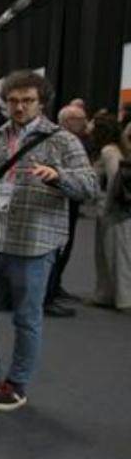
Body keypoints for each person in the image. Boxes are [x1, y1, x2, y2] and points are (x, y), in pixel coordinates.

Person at [0, 71, 99, 412]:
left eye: (27, 101)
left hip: (33, 243)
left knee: (26, 318)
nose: (19, 107)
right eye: (14, 101)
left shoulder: (62, 141)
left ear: (41, 102)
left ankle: (16, 382)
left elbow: (90, 187)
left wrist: (59, 177)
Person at [42, 103, 90, 315]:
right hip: (59, 201)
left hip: (70, 199)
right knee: (56, 248)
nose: (85, 123)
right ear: (69, 121)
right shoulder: (60, 142)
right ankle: (47, 295)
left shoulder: (72, 141)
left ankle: (54, 288)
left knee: (65, 248)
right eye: (81, 119)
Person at [92, 116, 131, 312]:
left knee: (117, 255)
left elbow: (114, 182)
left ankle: (124, 298)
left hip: (112, 211)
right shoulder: (117, 149)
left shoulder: (109, 151)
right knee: (107, 253)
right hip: (112, 209)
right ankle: (106, 294)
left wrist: (107, 208)